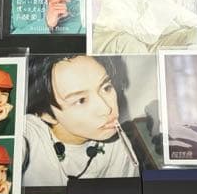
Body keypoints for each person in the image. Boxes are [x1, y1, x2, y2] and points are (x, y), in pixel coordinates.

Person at [22, 55, 140, 186]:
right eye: (81, 100)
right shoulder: (28, 133)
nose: (106, 109)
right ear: (46, 114)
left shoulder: (118, 143)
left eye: (106, 88)